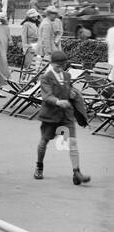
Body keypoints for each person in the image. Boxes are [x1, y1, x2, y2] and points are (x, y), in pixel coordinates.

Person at [34, 51, 91, 185]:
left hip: (66, 115)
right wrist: (58, 101)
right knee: (44, 141)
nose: (60, 68)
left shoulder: (67, 75)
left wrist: (71, 94)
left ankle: (77, 172)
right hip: (50, 115)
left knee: (72, 143)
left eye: (63, 65)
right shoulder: (46, 77)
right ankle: (39, 166)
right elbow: (46, 96)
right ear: (51, 63)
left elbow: (68, 90)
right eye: (57, 65)